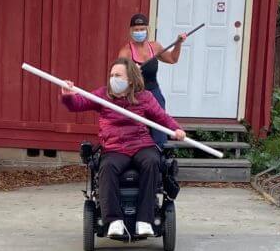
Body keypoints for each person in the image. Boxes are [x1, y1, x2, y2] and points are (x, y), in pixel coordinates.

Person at [60, 58, 187, 238]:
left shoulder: (144, 97)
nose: (113, 79)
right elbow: (78, 104)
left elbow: (162, 117)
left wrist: (176, 129)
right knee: (107, 167)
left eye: (117, 75)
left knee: (152, 161)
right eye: (111, 75)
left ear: (130, 79)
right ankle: (114, 221)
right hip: (114, 146)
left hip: (140, 143)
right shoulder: (103, 95)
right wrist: (68, 95)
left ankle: (145, 220)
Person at [118, 13, 187, 148]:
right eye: (136, 30)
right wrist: (131, 72)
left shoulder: (154, 47)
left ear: (147, 30)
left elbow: (173, 59)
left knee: (159, 128)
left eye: (142, 29)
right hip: (135, 95)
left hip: (154, 93)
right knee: (137, 129)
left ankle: (160, 157)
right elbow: (118, 76)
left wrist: (178, 43)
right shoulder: (126, 52)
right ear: (131, 31)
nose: (139, 32)